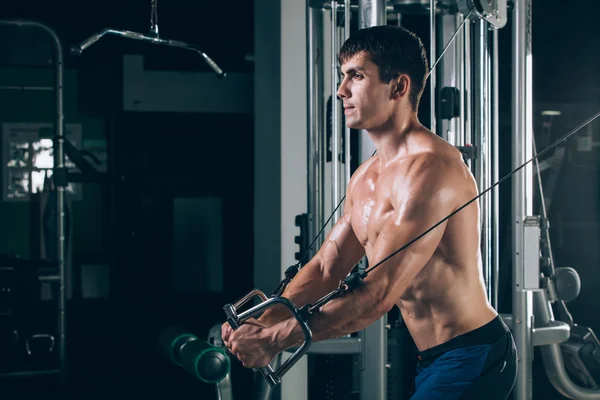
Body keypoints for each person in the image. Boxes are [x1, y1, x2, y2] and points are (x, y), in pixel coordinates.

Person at [222, 25, 517, 399]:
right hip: (431, 355)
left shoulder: (432, 170)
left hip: (473, 354)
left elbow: (378, 295)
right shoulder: (366, 175)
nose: (342, 90)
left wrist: (274, 340)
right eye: (342, 76)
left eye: (356, 76)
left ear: (398, 87)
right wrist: (263, 322)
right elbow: (327, 268)